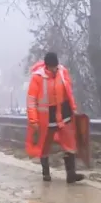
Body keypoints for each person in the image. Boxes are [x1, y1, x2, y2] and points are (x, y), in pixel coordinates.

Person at [25, 52, 85, 183]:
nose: (54, 70)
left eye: (55, 67)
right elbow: (31, 101)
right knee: (45, 145)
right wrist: (33, 120)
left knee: (70, 143)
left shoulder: (62, 72)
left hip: (64, 112)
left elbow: (68, 91)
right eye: (51, 67)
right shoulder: (37, 77)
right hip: (46, 117)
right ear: (46, 66)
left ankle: (71, 174)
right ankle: (46, 173)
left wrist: (73, 107)